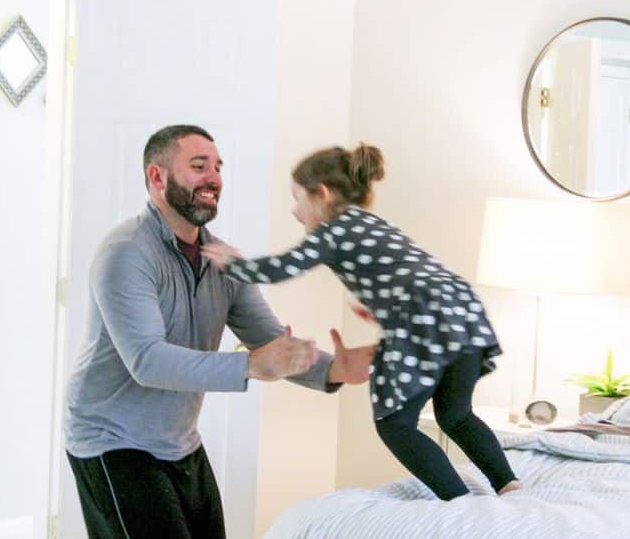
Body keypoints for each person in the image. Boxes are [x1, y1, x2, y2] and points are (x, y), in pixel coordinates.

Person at [63, 124, 376, 539]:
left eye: (219, 166)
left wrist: (335, 372)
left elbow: (269, 342)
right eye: (199, 165)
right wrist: (252, 366)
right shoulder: (124, 254)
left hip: (177, 441)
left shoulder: (220, 260)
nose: (214, 178)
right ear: (157, 177)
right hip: (111, 439)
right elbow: (147, 361)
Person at [204, 143, 521, 501]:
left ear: (322, 194)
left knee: (395, 423)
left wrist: (232, 263)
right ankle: (509, 486)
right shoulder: (372, 223)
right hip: (463, 311)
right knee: (456, 414)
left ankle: (460, 502)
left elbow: (282, 267)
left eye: (297, 199)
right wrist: (383, 308)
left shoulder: (333, 231)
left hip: (421, 317)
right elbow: (409, 272)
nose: (295, 211)